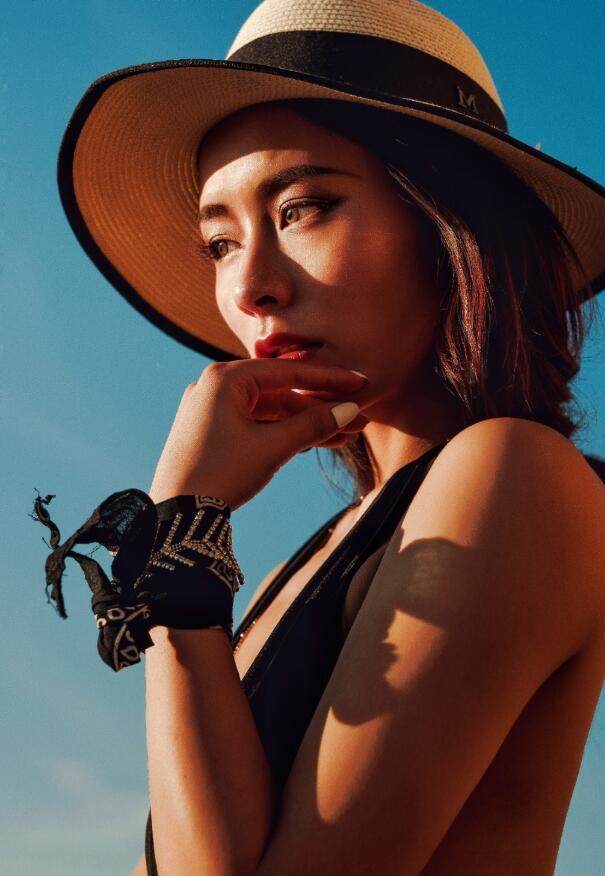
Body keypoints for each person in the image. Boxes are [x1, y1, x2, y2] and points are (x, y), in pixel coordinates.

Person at [48, 1, 604, 873]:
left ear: (448, 228)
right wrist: (181, 540)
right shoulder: (285, 575)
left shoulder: (516, 473)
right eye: (219, 244)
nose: (251, 286)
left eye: (302, 208)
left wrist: (180, 530)